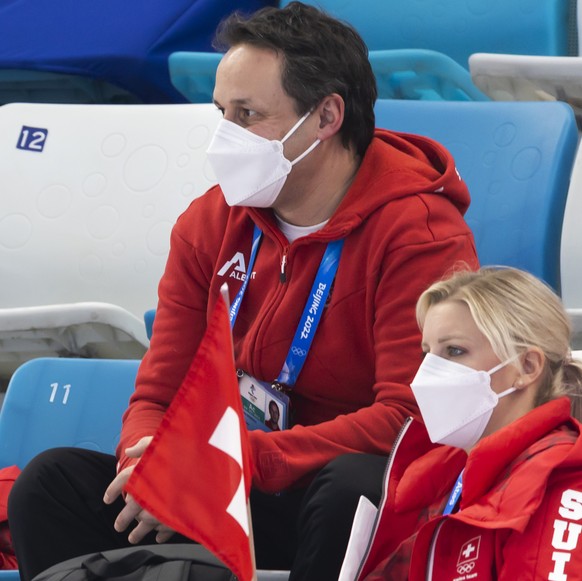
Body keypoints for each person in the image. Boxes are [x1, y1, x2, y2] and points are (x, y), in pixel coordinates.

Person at [8, 2, 478, 580]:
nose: (226, 136)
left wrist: (235, 461)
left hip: (324, 486)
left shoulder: (418, 233)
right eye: (220, 113)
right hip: (228, 482)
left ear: (328, 115)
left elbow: (409, 417)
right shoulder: (208, 223)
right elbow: (159, 393)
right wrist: (156, 459)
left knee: (353, 486)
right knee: (50, 485)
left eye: (248, 115)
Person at [355, 267, 582, 580]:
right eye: (428, 354)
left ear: (526, 367)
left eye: (454, 351)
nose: (428, 373)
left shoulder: (561, 487)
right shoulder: (447, 472)